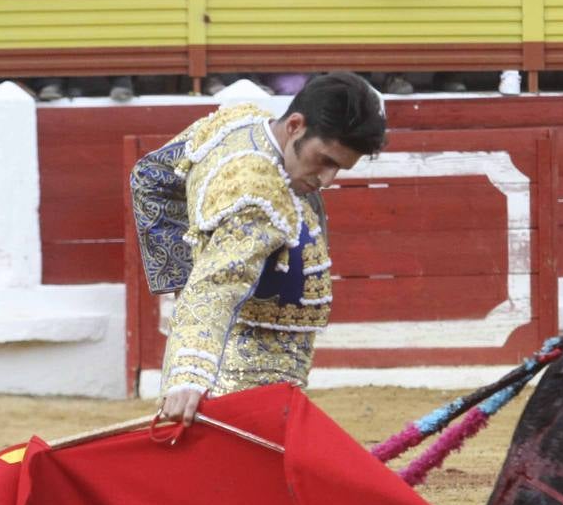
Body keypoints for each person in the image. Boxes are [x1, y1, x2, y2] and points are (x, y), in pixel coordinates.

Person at [131, 71, 387, 426]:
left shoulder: (238, 124)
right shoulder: (257, 194)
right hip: (241, 383)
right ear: (295, 125)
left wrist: (181, 277)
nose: (328, 180)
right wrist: (189, 374)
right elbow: (215, 286)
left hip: (254, 369)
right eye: (325, 160)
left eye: (340, 168)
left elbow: (151, 176)